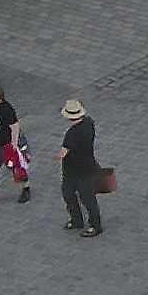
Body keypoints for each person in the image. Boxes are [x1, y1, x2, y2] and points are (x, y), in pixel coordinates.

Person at [57, 99, 102, 236]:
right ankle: (91, 223)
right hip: (88, 167)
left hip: (73, 170)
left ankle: (86, 223)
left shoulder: (71, 134)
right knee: (87, 198)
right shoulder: (89, 123)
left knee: (70, 195)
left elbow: (63, 153)